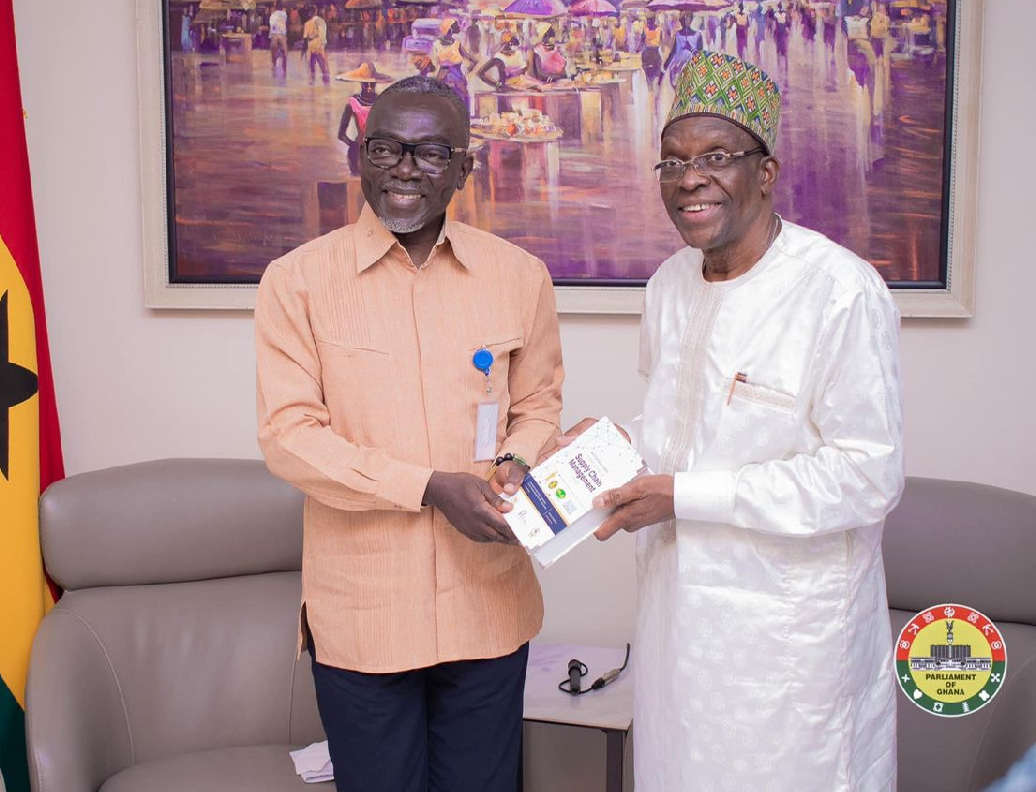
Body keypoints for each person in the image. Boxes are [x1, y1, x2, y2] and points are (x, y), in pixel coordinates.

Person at [546, 51, 904, 790]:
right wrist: (610, 447)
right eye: (672, 162)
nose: (690, 179)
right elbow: (678, 428)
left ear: (765, 172)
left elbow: (867, 476)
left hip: (789, 654)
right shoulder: (670, 283)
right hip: (679, 633)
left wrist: (679, 495)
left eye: (716, 156)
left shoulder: (837, 291)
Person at [255, 75, 564, 792]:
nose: (403, 168)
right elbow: (288, 436)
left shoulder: (520, 276)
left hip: (488, 604)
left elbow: (539, 404)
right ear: (360, 155)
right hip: (365, 617)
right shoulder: (295, 282)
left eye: (430, 153)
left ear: (465, 167)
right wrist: (427, 488)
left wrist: (517, 466)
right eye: (385, 148)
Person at [336, 62, 392, 175]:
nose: (370, 88)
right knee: (357, 180)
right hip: (357, 152)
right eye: (366, 84)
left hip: (377, 151)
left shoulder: (381, 102)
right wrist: (353, 145)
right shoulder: (353, 102)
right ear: (361, 83)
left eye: (372, 84)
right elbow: (341, 134)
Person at [431, 18, 478, 109]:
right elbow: (470, 59)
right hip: (452, 76)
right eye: (455, 26)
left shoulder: (453, 44)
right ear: (450, 29)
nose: (458, 28)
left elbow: (472, 60)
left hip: (449, 75)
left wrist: (468, 70)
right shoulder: (439, 44)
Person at [302, 6, 330, 83]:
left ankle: (312, 91)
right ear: (316, 11)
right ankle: (327, 88)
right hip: (320, 48)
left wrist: (303, 52)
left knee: (312, 71)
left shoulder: (307, 24)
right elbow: (323, 36)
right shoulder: (322, 21)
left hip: (311, 49)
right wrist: (322, 46)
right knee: (324, 70)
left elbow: (305, 39)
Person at [268, 0, 288, 74]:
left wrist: (271, 35)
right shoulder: (284, 13)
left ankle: (274, 65)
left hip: (275, 34)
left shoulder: (273, 14)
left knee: (273, 50)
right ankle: (284, 68)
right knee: (284, 52)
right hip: (282, 34)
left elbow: (272, 25)